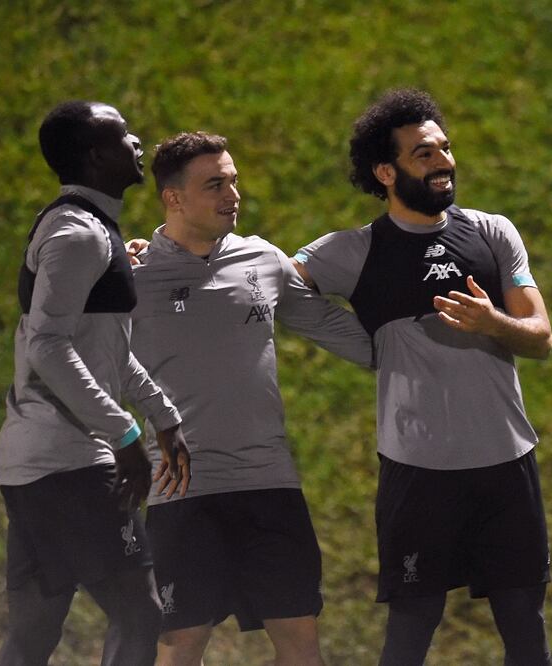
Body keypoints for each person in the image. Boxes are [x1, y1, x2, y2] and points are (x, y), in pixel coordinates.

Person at [293, 89, 552, 666]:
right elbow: (274, 285)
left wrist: (494, 322)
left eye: (444, 147)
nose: (442, 161)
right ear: (385, 172)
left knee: (526, 632)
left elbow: (541, 337)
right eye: (423, 153)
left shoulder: (491, 232)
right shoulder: (357, 251)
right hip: (419, 473)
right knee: (409, 634)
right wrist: (360, 344)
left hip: (505, 465)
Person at [127, 131, 373, 666]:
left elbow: (329, 324)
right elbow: (93, 362)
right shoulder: (133, 276)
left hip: (269, 485)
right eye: (214, 185)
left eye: (233, 181)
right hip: (181, 492)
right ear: (173, 198)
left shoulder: (261, 258)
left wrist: (413, 350)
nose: (232, 195)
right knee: (180, 645)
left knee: (301, 643)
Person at [0, 100, 191, 666]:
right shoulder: (77, 235)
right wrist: (125, 433)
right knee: (141, 613)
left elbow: (105, 352)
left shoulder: (92, 228)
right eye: (123, 135)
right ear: (94, 155)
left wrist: (162, 412)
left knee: (34, 629)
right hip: (70, 461)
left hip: (37, 463)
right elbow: (48, 346)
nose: (138, 142)